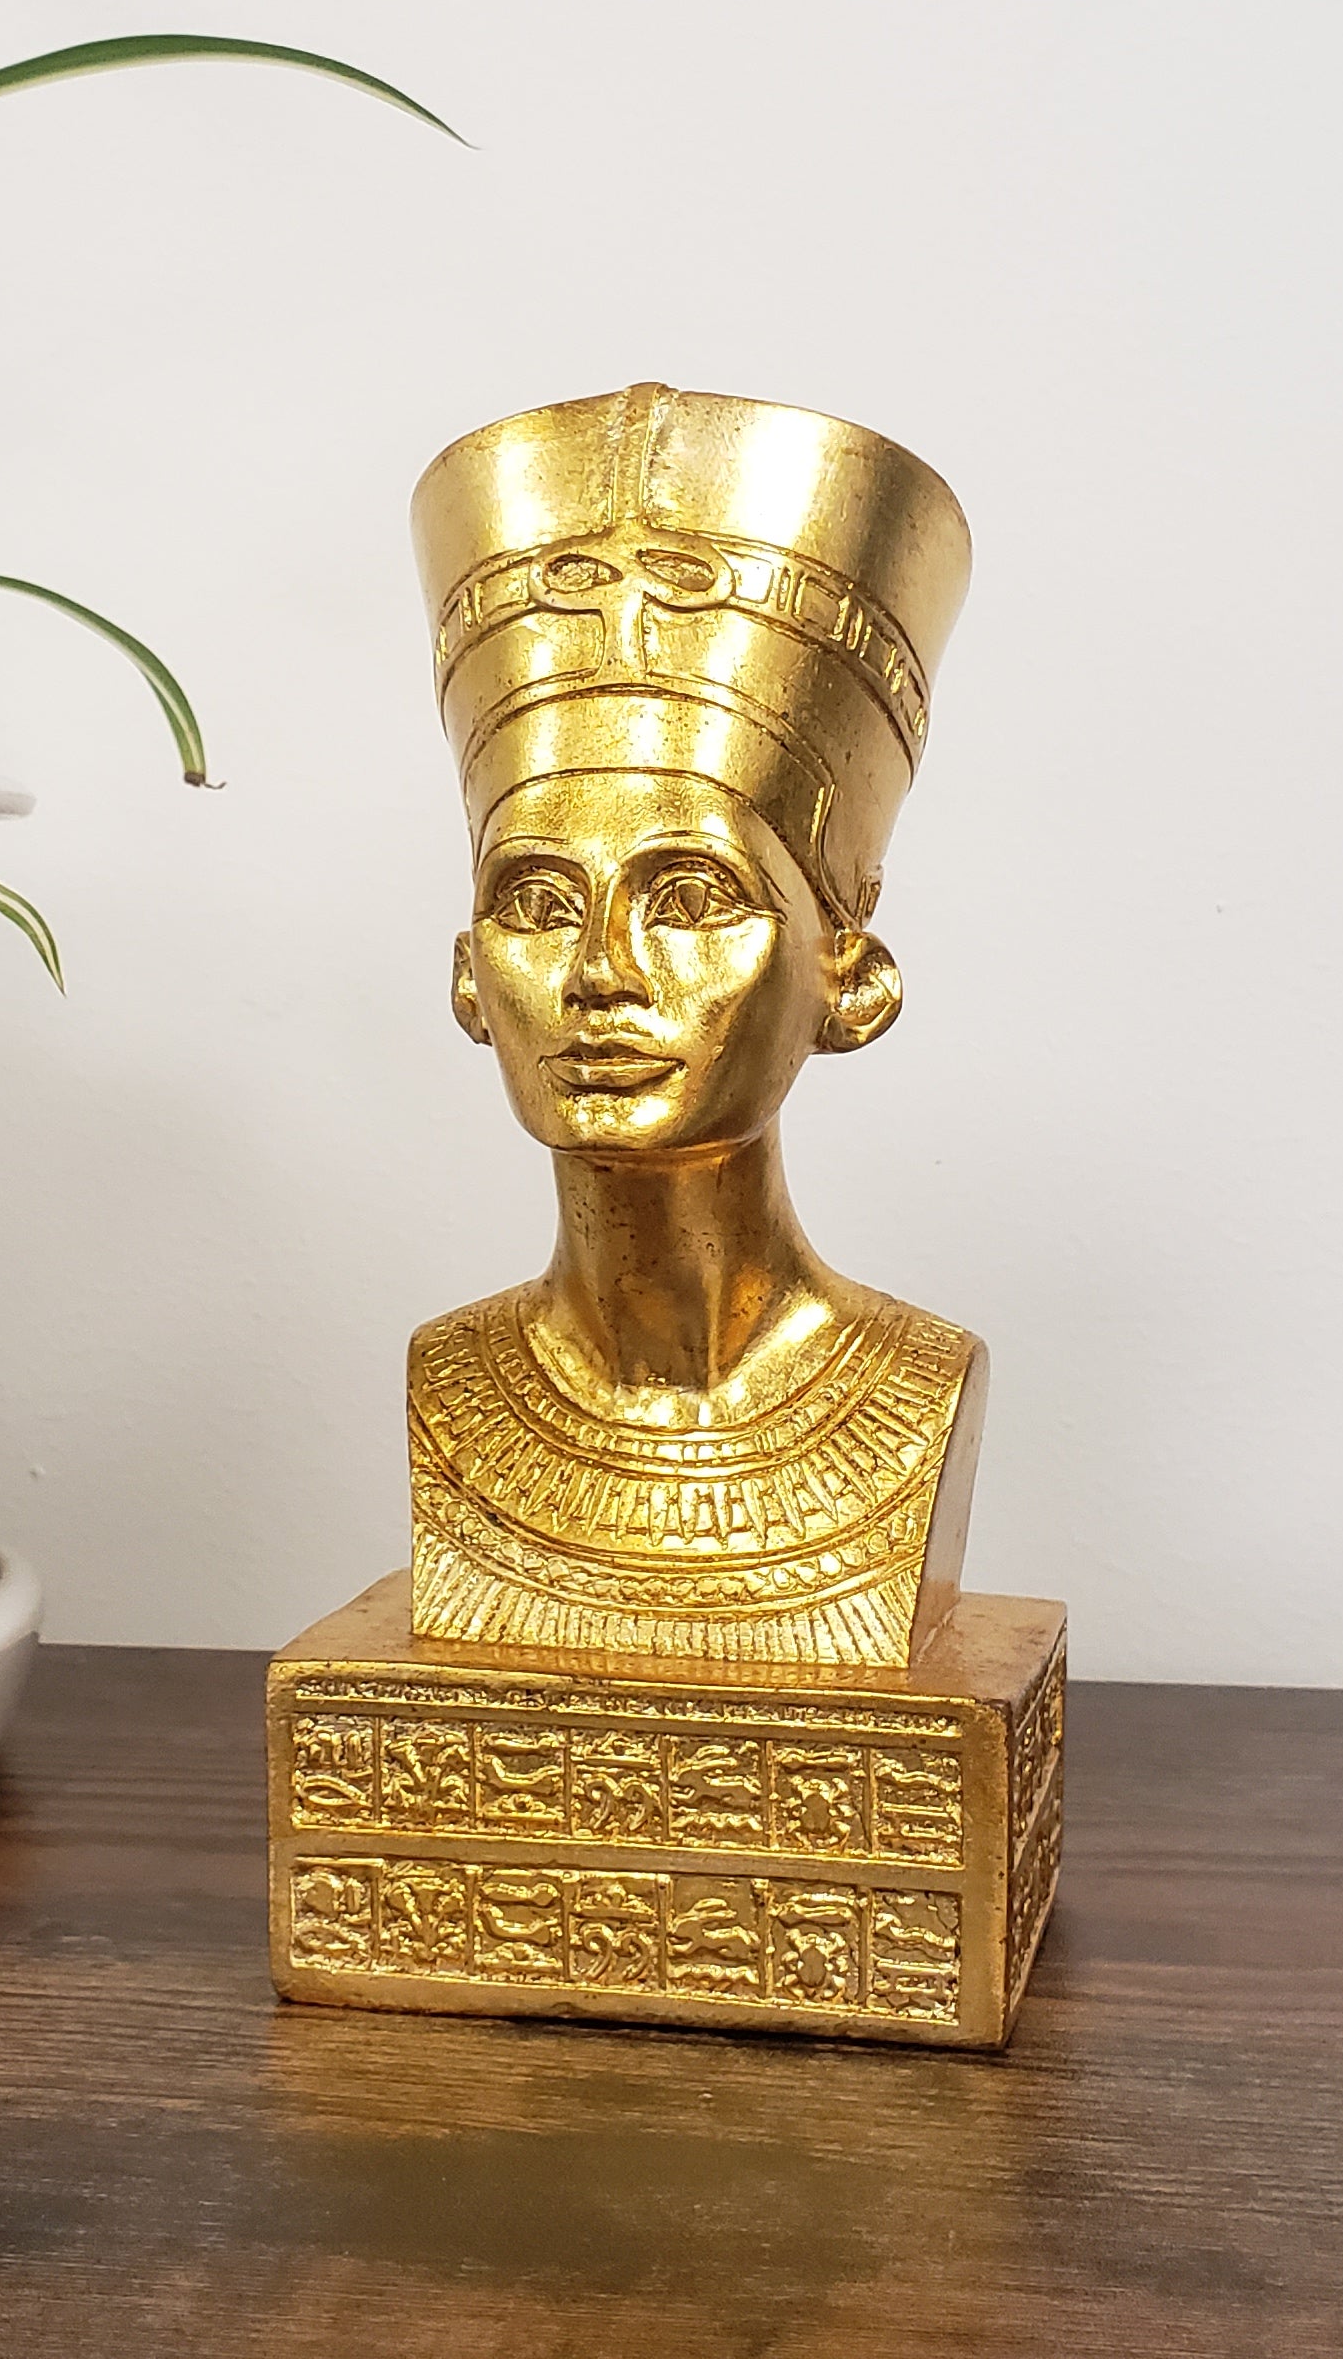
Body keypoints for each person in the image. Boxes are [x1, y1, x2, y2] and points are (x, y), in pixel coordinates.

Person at [407, 382, 985, 1668]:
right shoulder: (446, 1383)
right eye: (538, 901)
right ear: (468, 981)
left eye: (689, 897)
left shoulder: (920, 1386)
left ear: (851, 980)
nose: (601, 971)